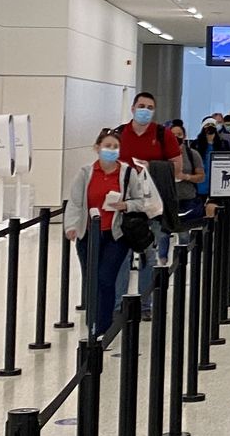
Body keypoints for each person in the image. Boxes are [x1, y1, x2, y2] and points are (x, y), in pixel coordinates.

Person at [65, 129, 165, 338]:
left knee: (106, 278)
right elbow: (75, 202)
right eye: (107, 146)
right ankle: (92, 323)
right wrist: (71, 226)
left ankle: (103, 325)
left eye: (115, 147)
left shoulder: (128, 173)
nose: (111, 150)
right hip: (88, 235)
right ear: (97, 148)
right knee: (91, 279)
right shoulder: (85, 173)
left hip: (116, 235)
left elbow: (141, 201)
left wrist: (125, 205)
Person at [118, 92, 182, 314]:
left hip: (153, 203)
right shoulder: (119, 134)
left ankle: (146, 303)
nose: (145, 110)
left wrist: (150, 166)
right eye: (141, 106)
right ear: (133, 108)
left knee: (150, 253)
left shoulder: (163, 135)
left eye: (150, 107)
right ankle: (118, 306)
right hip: (123, 203)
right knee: (122, 254)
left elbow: (177, 168)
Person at [169, 122, 205, 223]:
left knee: (184, 235)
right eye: (173, 135)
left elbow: (201, 177)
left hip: (187, 199)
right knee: (163, 234)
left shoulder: (192, 154)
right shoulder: (161, 154)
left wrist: (186, 177)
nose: (176, 137)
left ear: (184, 136)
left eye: (179, 135)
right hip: (166, 200)